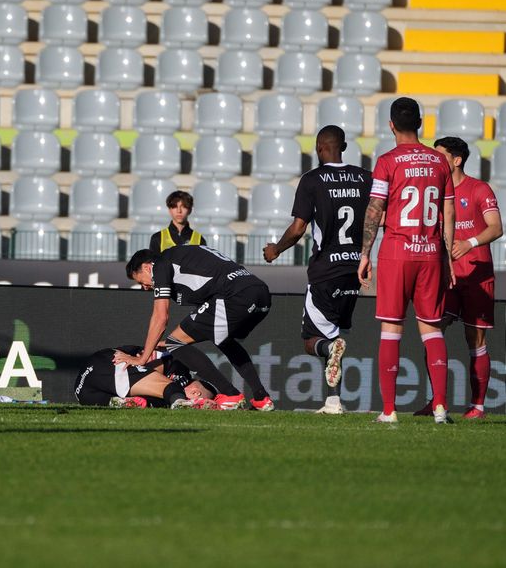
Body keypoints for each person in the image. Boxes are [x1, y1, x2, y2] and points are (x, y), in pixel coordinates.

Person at [357, 97, 456, 424]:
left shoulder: (388, 161)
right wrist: (448, 257)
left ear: (391, 125)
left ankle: (388, 411)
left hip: (397, 252)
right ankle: (440, 406)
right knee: (432, 329)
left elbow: (375, 209)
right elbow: (448, 211)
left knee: (391, 328)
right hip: (430, 252)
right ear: (421, 124)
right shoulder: (440, 161)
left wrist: (365, 253)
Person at [263, 125, 372, 415]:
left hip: (326, 269)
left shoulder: (312, 180)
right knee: (334, 334)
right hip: (355, 269)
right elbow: (379, 217)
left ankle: (328, 356)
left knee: (314, 341)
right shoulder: (365, 178)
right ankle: (334, 401)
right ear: (344, 147)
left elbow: (299, 228)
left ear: (319, 148)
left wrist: (276, 249)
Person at [119, 246, 274, 410]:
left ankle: (231, 395)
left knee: (175, 343)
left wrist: (142, 359)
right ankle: (261, 398)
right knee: (222, 339)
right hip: (260, 293)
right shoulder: (182, 257)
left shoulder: (159, 265)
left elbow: (160, 317)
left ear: (146, 267)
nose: (143, 287)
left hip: (234, 295)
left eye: (140, 281)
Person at [412, 137, 501, 419]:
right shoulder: (435, 192)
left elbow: (496, 227)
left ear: (457, 160)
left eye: (441, 156)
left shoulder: (479, 189)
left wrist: (470, 243)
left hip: (476, 275)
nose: (436, 161)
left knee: (474, 338)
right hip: (446, 275)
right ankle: (437, 400)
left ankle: (477, 407)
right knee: (433, 330)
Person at [76, 345, 233, 409]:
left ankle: (120, 402)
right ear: (196, 393)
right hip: (111, 362)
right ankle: (181, 404)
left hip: (84, 391)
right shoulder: (179, 368)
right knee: (171, 391)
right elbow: (148, 359)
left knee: (152, 401)